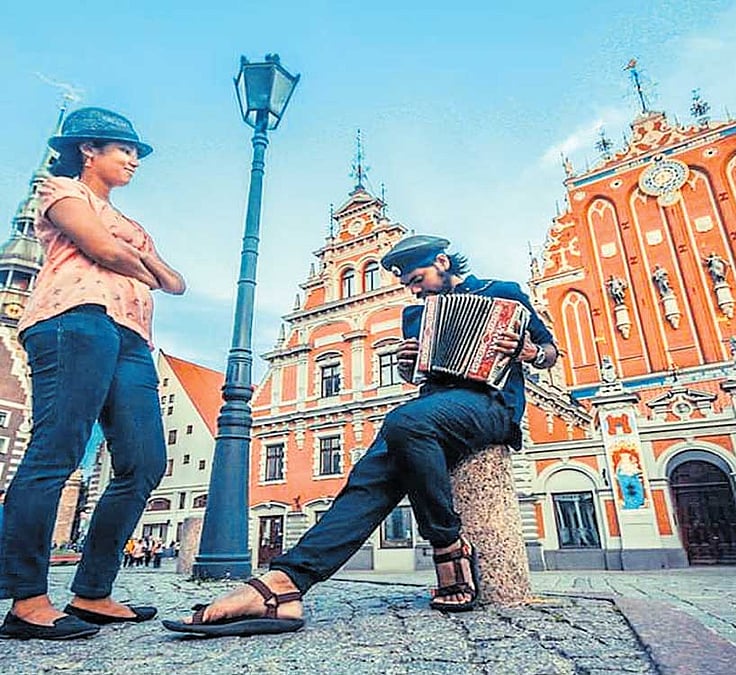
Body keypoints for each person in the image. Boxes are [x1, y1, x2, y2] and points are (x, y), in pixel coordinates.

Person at [163, 234, 558, 638]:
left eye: (417, 278)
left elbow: (549, 351)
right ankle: (286, 584)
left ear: (442, 261)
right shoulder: (416, 315)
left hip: (491, 406)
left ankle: (447, 545)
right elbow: (418, 375)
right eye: (407, 284)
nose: (413, 289)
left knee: (404, 423)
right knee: (365, 484)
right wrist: (409, 365)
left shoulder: (504, 293)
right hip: (432, 411)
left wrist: (529, 352)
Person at [0, 107, 185, 640]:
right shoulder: (60, 191)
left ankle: (92, 593)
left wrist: (135, 259)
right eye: (124, 150)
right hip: (71, 318)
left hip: (131, 336)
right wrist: (134, 260)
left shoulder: (133, 224)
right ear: (89, 150)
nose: (133, 160)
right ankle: (27, 598)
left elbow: (175, 283)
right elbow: (103, 249)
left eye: (135, 153)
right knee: (56, 449)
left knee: (145, 460)